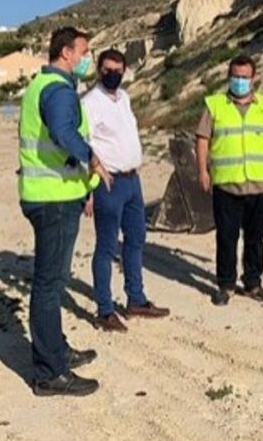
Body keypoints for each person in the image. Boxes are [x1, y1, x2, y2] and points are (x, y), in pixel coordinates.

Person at [18, 27, 112, 397]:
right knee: (48, 284)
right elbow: (62, 132)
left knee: (52, 282)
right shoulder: (57, 89)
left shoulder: (46, 86)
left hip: (54, 195)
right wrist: (91, 158)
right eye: (85, 51)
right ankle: (48, 372)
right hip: (52, 200)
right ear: (66, 53)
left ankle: (56, 351)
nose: (88, 58)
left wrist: (83, 187)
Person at [196, 54, 263, 306]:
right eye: (235, 77)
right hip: (227, 185)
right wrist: (202, 170)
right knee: (227, 237)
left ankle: (253, 283)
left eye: (244, 77)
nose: (239, 81)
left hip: (258, 184)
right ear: (228, 77)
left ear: (254, 78)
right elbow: (202, 139)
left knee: (256, 237)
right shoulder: (215, 105)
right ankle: (226, 284)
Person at [82, 48, 170, 331]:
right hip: (109, 183)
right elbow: (83, 145)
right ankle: (105, 309)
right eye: (107, 70)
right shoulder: (90, 103)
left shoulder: (124, 99)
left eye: (118, 71)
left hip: (133, 180)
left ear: (124, 71)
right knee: (107, 247)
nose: (113, 75)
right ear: (99, 70)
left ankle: (136, 299)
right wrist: (89, 189)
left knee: (136, 239)